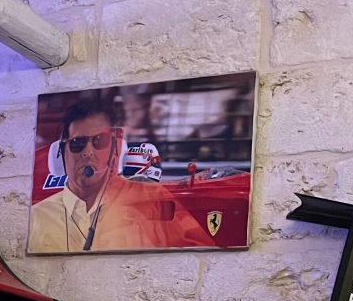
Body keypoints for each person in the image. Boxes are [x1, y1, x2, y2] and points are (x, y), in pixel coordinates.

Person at [28, 99, 214, 253]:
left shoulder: (150, 198)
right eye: (78, 143)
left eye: (100, 141)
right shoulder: (36, 217)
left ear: (115, 150)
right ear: (60, 154)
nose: (88, 152)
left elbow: (201, 253)